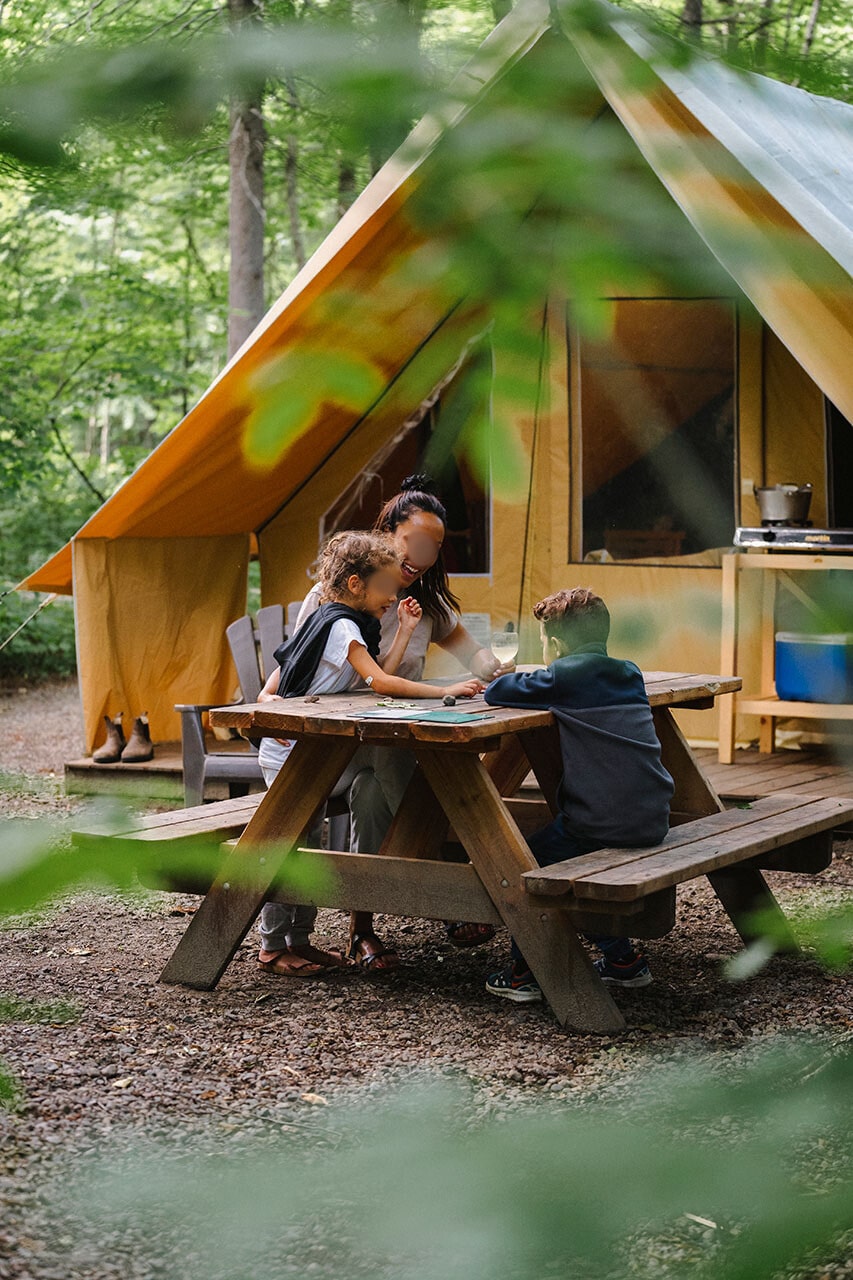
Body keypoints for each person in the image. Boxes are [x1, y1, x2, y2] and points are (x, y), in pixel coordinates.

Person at [292, 474, 511, 967]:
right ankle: (455, 887)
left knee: (373, 796)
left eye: (434, 548)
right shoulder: (331, 600)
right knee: (423, 775)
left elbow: (474, 657)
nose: (422, 556)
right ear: (387, 533)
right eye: (414, 541)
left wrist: (497, 665)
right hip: (330, 745)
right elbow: (296, 672)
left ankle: (362, 931)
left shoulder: (425, 605)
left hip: (388, 744)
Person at [256, 529, 483, 978]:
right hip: (293, 756)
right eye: (387, 585)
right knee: (289, 849)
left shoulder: (337, 621)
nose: (395, 592)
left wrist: (406, 631)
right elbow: (380, 685)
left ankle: (299, 940)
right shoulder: (340, 625)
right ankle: (270, 946)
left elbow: (374, 676)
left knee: (309, 847)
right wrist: (445, 692)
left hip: (316, 755)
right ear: (357, 584)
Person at [482, 587, 675, 1003]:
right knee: (568, 856)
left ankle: (524, 971)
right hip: (653, 817)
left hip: (601, 822)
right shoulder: (629, 671)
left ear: (555, 644)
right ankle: (622, 961)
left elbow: (497, 693)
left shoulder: (565, 675)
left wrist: (510, 673)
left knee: (525, 863)